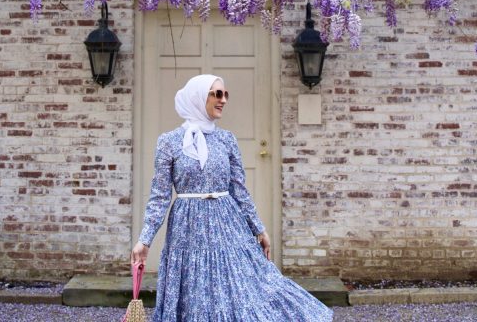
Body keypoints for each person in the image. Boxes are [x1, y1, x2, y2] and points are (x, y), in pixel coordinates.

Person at [131, 74, 333, 322]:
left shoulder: (227, 139)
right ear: (198, 97)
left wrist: (258, 228)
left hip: (227, 224)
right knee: (194, 290)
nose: (224, 100)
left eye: (225, 94)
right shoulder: (169, 142)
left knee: (244, 287)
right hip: (187, 228)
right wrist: (145, 240)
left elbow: (239, 189)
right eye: (217, 94)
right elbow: (160, 196)